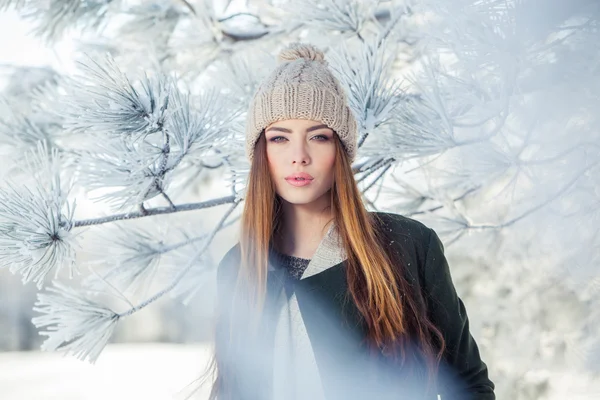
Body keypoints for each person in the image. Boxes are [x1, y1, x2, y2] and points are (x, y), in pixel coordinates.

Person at [202, 42, 495, 400]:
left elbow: (468, 385)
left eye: (319, 137)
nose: (299, 157)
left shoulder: (406, 245)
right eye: (279, 138)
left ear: (339, 150)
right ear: (261, 152)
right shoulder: (239, 268)